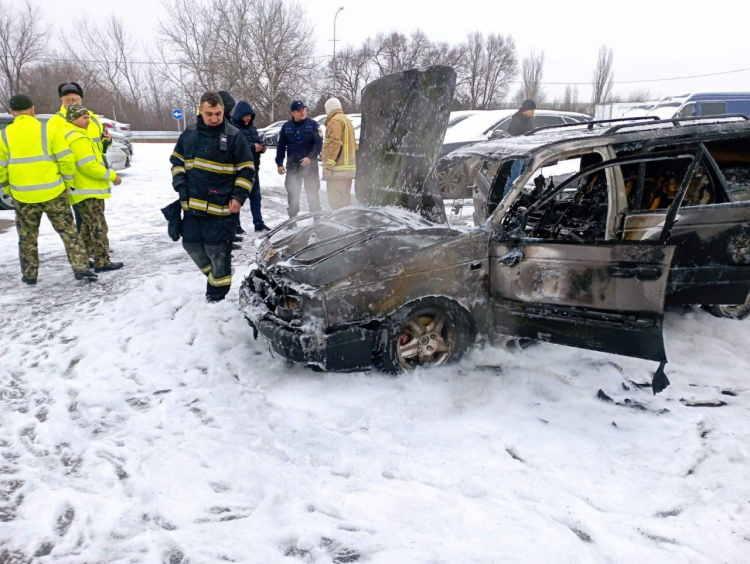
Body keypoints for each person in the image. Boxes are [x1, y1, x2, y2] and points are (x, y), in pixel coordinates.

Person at [0, 94, 97, 283]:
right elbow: (66, 158)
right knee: (68, 232)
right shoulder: (48, 130)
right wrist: (67, 183)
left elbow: (1, 168)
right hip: (54, 192)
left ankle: (30, 275)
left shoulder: (4, 135)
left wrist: (10, 189)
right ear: (33, 109)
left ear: (12, 112)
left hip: (23, 195)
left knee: (27, 237)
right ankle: (81, 269)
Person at [169, 91, 255, 302]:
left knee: (217, 252)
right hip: (193, 206)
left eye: (218, 113)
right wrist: (180, 185)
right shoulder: (188, 134)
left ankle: (216, 298)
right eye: (209, 114)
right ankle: (219, 276)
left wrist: (238, 197)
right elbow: (177, 163)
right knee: (190, 244)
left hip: (221, 209)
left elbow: (247, 169)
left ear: (223, 111)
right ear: (200, 110)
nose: (215, 118)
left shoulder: (234, 136)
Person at [65, 104, 124, 273]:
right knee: (97, 227)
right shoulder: (77, 138)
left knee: (84, 228)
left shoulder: (76, 135)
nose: (88, 121)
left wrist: (105, 143)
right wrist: (112, 176)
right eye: (84, 118)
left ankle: (84, 260)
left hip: (83, 190)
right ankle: (102, 261)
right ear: (73, 118)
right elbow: (89, 166)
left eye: (88, 117)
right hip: (87, 190)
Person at [275, 100, 323, 218]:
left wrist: (310, 158)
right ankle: (292, 220)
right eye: (299, 111)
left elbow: (318, 144)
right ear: (293, 113)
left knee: (312, 194)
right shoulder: (286, 127)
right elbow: (281, 146)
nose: (302, 112)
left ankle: (317, 221)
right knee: (292, 193)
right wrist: (279, 163)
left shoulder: (313, 125)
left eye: (303, 110)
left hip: (309, 166)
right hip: (293, 166)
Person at [232, 100, 270, 232]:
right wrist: (253, 147)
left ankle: (258, 223)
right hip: (239, 171)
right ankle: (236, 225)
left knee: (256, 197)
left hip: (254, 169)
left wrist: (262, 148)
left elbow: (257, 143)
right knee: (237, 198)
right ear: (239, 115)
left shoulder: (253, 129)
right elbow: (236, 148)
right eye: (246, 115)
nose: (248, 118)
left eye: (250, 115)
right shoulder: (233, 128)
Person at [321, 97, 356, 210]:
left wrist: (329, 167)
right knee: (345, 200)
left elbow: (335, 145)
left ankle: (340, 225)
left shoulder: (335, 121)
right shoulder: (346, 120)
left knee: (336, 202)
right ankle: (348, 224)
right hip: (347, 170)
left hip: (338, 171)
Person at [219, 90, 245, 241]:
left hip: (231, 168)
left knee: (232, 201)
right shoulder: (220, 121)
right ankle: (226, 235)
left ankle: (231, 232)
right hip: (222, 170)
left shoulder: (228, 120)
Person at [503, 99, 537, 196]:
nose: (533, 112)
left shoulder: (530, 120)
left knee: (523, 180)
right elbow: (512, 138)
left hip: (528, 153)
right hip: (518, 154)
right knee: (514, 180)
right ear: (525, 110)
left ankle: (517, 198)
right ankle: (505, 200)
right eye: (532, 110)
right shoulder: (516, 120)